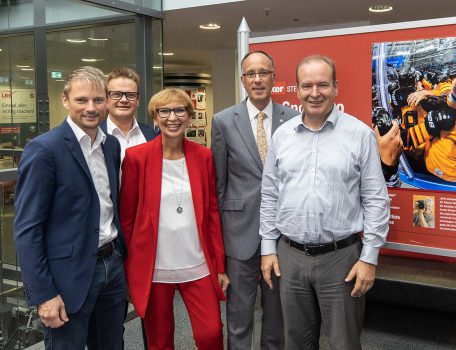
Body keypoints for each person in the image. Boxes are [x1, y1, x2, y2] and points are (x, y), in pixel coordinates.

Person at [260, 55, 390, 350]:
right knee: (295, 341)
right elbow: (269, 195)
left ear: (335, 87)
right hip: (289, 256)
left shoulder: (359, 135)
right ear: (297, 90)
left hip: (341, 258)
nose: (314, 92)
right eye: (307, 85)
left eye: (322, 84)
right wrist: (268, 248)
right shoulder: (282, 136)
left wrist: (369, 258)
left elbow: (376, 200)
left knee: (343, 342)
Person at [13, 66, 127, 348]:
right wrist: (42, 294)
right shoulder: (44, 149)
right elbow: (28, 229)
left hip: (112, 267)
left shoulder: (110, 146)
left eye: (98, 100)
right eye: (82, 100)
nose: (91, 108)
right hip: (67, 278)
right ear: (65, 100)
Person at [120, 88, 229, 349]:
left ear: (189, 117)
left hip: (197, 263)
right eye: (164, 111)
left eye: (180, 110)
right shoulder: (137, 158)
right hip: (154, 267)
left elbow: (213, 214)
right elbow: (127, 219)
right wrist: (128, 271)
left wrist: (220, 265)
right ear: (155, 119)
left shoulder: (203, 156)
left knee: (211, 333)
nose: (172, 117)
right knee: (159, 340)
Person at [211, 50, 296, 350]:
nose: (258, 79)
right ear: (242, 80)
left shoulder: (293, 119)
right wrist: (219, 244)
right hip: (239, 236)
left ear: (274, 76)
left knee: (277, 317)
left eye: (264, 73)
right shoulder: (222, 121)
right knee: (238, 316)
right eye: (251, 74)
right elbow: (219, 186)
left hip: (282, 235)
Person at [102, 67, 158, 161]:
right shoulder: (94, 135)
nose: (124, 100)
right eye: (116, 94)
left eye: (130, 95)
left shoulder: (154, 135)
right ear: (107, 98)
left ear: (138, 100)